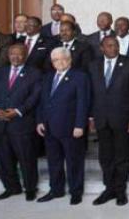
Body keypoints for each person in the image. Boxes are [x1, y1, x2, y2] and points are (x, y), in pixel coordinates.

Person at [0, 44, 42, 201]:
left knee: (26, 159)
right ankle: (11, 188)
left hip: (21, 123)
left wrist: (17, 111)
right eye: (12, 54)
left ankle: (30, 188)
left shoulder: (35, 73)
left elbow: (35, 96)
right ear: (8, 55)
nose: (15, 57)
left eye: (19, 54)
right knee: (3, 160)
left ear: (25, 55)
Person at [88, 36, 129, 205]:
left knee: (122, 156)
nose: (113, 48)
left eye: (116, 45)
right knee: (105, 156)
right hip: (101, 118)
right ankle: (109, 189)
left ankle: (120, 190)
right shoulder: (93, 65)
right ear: (102, 48)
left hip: (123, 118)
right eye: (109, 45)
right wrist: (91, 117)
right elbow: (91, 94)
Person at [36, 47, 90, 205]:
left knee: (74, 162)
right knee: (54, 161)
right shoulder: (47, 77)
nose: (59, 62)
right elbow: (42, 102)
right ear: (52, 63)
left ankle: (76, 192)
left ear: (70, 60)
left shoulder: (80, 77)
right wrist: (40, 121)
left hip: (71, 127)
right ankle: (56, 190)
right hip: (49, 127)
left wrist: (80, 125)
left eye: (63, 59)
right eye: (55, 60)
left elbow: (83, 102)